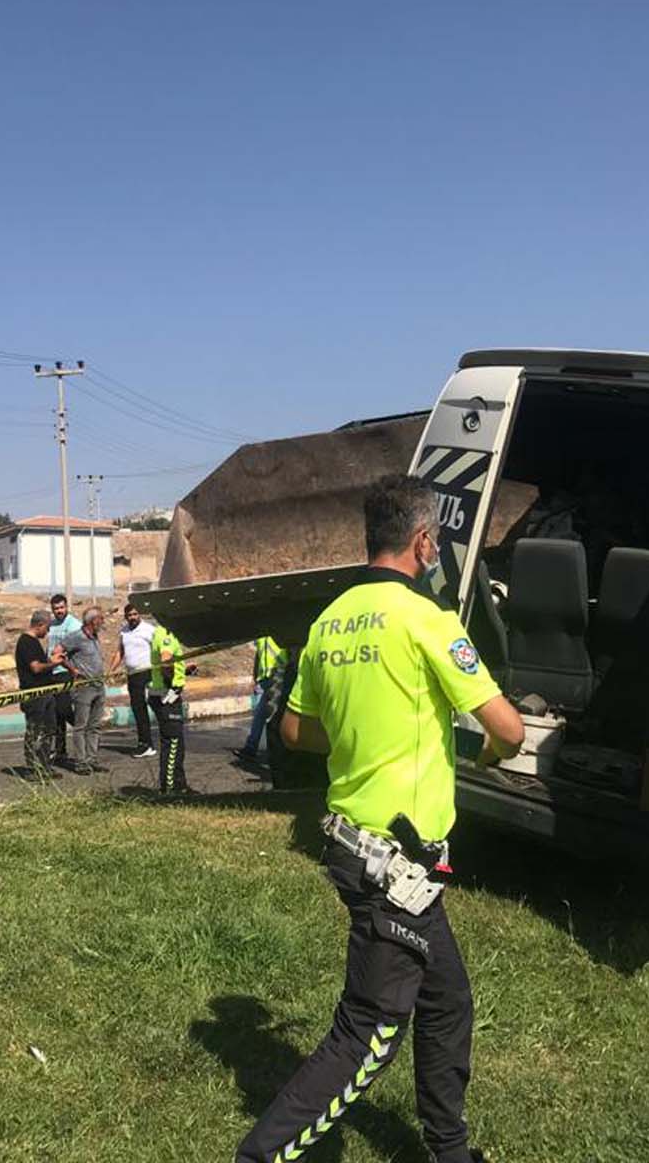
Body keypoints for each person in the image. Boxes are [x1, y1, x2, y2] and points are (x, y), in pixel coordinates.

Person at [235, 475, 525, 1163]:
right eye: (437, 543)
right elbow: (508, 729)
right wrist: (482, 756)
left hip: (353, 844)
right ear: (423, 541)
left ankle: (447, 1149)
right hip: (395, 861)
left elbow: (298, 731)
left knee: (447, 999)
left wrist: (366, 729)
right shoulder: (428, 619)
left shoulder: (329, 621)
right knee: (368, 1028)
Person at [14, 609, 66, 780]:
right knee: (34, 732)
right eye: (48, 627)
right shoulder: (26, 642)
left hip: (46, 693)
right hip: (34, 695)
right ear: (40, 625)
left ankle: (44, 766)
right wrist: (53, 664)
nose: (48, 631)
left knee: (48, 730)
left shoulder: (34, 642)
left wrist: (51, 660)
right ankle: (32, 769)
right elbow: (35, 667)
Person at [147, 619, 190, 795]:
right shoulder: (166, 634)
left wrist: (184, 670)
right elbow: (166, 660)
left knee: (176, 744)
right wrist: (172, 685)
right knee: (173, 744)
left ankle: (179, 785)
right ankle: (170, 788)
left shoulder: (160, 632)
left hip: (163, 695)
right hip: (167, 697)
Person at [64, 606, 107, 776]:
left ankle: (91, 759)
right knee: (80, 726)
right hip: (83, 688)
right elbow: (58, 653)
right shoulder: (76, 637)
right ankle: (80, 762)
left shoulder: (95, 637)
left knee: (94, 725)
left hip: (99, 686)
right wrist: (72, 670)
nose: (102, 622)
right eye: (100, 619)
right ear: (93, 621)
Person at [109, 602, 156, 758]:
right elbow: (119, 652)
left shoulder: (149, 630)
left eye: (135, 614)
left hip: (148, 673)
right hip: (133, 675)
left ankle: (151, 743)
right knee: (137, 709)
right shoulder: (124, 631)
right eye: (129, 615)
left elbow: (159, 650)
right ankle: (144, 743)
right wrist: (111, 670)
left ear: (139, 614)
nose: (132, 617)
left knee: (152, 707)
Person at [235, 635, 287, 764]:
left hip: (278, 674)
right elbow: (259, 655)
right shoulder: (260, 634)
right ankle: (255, 749)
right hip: (265, 678)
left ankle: (260, 750)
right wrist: (255, 676)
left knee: (270, 715)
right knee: (262, 714)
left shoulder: (279, 628)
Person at [48, 593, 82, 764]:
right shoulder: (52, 625)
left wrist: (74, 669)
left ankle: (83, 729)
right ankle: (60, 750)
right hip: (52, 672)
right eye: (56, 609)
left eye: (61, 608)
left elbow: (77, 648)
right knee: (56, 714)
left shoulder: (74, 625)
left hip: (66, 670)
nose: (59, 611)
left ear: (66, 607)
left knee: (63, 709)